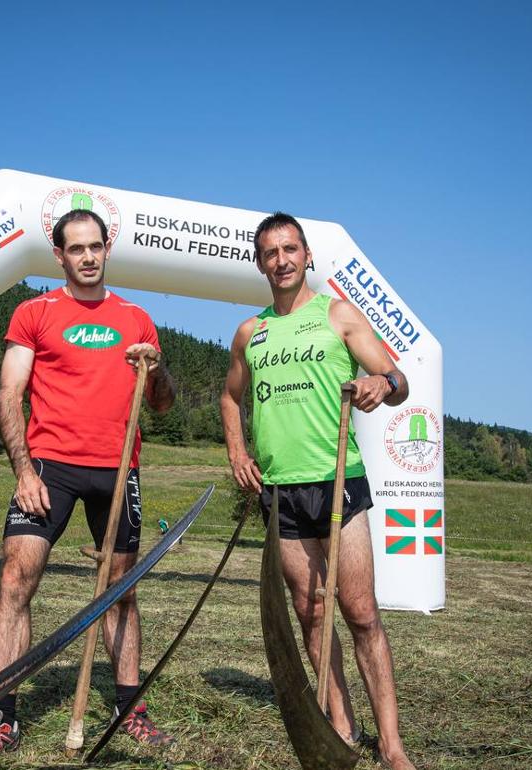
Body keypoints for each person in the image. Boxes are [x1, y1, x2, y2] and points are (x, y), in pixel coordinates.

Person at [0, 209, 177, 762]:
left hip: (119, 468)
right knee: (15, 579)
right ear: (60, 255)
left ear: (106, 248)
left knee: (121, 590)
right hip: (50, 466)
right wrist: (23, 472)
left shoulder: (137, 318)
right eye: (77, 248)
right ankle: (0, 716)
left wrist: (156, 368)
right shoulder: (35, 312)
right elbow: (10, 394)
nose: (88, 256)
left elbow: (163, 403)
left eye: (96, 246)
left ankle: (130, 709)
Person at [220, 213, 416, 770]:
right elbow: (231, 399)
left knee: (359, 613)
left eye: (289, 249)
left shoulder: (338, 315)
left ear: (306, 256)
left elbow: (398, 380)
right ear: (260, 263)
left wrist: (382, 382)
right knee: (310, 614)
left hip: (337, 483)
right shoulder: (250, 333)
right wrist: (237, 451)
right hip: (281, 493)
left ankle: (394, 746)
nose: (280, 260)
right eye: (269, 253)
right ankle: (342, 729)